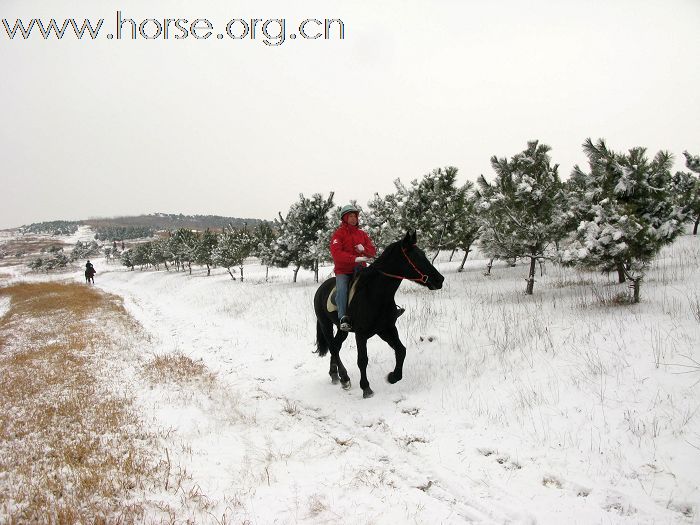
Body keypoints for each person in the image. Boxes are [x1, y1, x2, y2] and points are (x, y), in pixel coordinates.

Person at [330, 204, 377, 331]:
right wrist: (354, 259)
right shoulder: (338, 234)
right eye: (350, 216)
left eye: (355, 216)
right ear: (344, 218)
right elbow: (336, 253)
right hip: (343, 271)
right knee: (342, 290)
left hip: (361, 269)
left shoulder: (362, 234)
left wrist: (364, 249)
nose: (353, 218)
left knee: (378, 284)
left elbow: (372, 252)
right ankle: (343, 317)